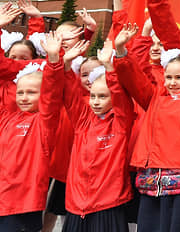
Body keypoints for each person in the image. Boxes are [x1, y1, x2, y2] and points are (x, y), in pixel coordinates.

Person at [113, 0, 180, 232]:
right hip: (152, 182)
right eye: (169, 77)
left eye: (179, 77)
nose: (172, 82)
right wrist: (121, 51)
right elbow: (133, 77)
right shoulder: (154, 98)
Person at [61, 28, 137, 232]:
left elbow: (121, 96)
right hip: (77, 205)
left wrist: (109, 67)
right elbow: (70, 95)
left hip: (108, 205)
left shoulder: (121, 123)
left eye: (103, 97)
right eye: (93, 96)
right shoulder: (83, 121)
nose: (95, 101)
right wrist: (66, 64)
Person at [0, 31, 65, 232]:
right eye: (20, 92)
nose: (24, 97)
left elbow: (52, 92)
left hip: (23, 204)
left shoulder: (44, 121)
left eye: (31, 92)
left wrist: (53, 60)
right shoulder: (7, 118)